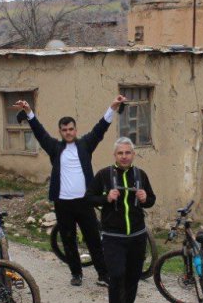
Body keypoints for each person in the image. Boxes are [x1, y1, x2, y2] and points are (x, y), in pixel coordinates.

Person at [13, 95, 125, 286]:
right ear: (61, 132)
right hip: (63, 203)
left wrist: (112, 108)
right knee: (68, 239)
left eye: (71, 129)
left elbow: (100, 129)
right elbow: (40, 133)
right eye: (64, 130)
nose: (68, 132)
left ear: (75, 130)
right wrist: (29, 112)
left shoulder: (85, 144)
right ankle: (76, 274)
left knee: (93, 239)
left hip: (84, 202)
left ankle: (103, 274)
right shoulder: (55, 148)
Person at [89, 137, 156, 303]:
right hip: (113, 237)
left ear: (133, 154)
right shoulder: (104, 175)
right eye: (120, 153)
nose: (124, 156)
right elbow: (89, 197)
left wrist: (145, 199)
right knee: (117, 276)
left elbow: (151, 200)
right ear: (115, 155)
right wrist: (106, 198)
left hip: (137, 236)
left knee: (133, 278)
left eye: (128, 153)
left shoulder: (140, 175)